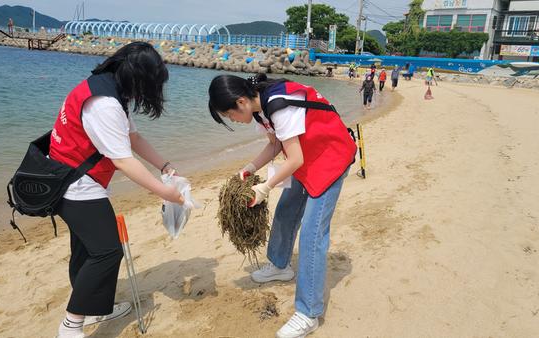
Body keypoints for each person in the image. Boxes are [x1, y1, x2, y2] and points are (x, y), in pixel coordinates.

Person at [49, 42, 187, 338]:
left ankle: (95, 307)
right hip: (74, 185)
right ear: (138, 78)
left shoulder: (109, 89)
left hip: (70, 177)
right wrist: (166, 194)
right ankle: (71, 325)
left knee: (86, 249)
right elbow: (123, 161)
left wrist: (164, 166)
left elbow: (133, 139)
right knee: (107, 252)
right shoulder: (104, 103)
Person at [208, 73, 356, 338]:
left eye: (230, 116)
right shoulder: (259, 109)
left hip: (330, 156)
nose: (233, 120)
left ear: (240, 102)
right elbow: (276, 144)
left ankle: (309, 312)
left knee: (312, 234)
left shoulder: (278, 104)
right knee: (287, 211)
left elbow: (294, 157)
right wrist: (249, 168)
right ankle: (279, 266)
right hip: (307, 157)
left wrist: (265, 187)